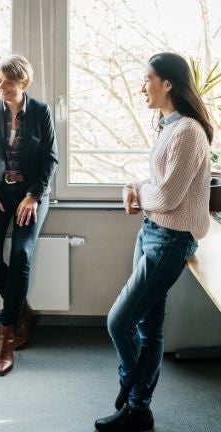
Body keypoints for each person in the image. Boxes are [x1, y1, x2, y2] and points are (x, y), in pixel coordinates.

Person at [94, 52, 212, 432]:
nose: (141, 86)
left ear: (168, 83)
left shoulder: (189, 132)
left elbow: (169, 197)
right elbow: (158, 186)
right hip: (152, 232)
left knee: (119, 322)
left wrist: (140, 193)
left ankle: (133, 386)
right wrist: (132, 187)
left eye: (147, 78)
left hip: (170, 240)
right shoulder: (168, 126)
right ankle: (139, 409)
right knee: (149, 327)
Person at [0, 54, 58, 376]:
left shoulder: (40, 111)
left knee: (21, 255)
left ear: (24, 83)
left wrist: (34, 196)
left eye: (8, 82)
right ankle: (24, 312)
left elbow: (50, 159)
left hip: (31, 195)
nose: (1, 87)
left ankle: (7, 333)